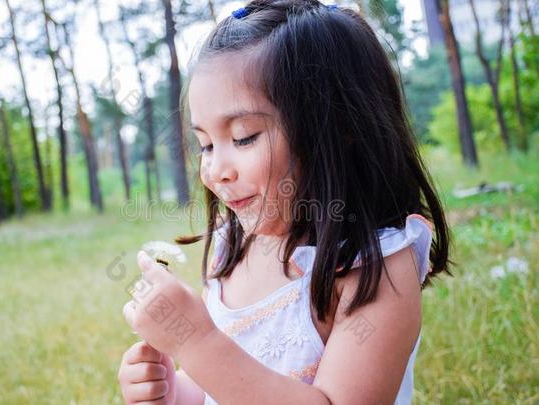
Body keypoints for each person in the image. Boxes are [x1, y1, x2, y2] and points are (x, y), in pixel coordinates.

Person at [119, 1, 452, 404]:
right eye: (206, 143)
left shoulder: (377, 270)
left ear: (340, 127)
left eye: (243, 137)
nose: (215, 170)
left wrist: (196, 342)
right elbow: (221, 390)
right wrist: (173, 392)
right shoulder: (232, 250)